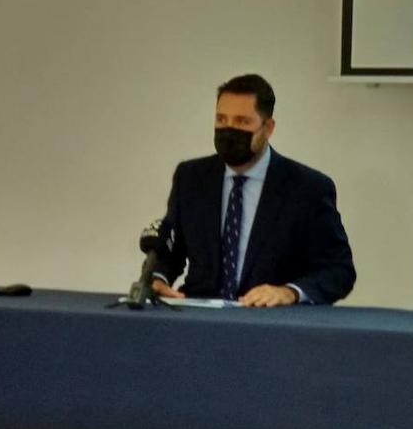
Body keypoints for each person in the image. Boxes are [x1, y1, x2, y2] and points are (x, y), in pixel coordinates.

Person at [151, 74, 355, 306]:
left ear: (268, 128)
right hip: (199, 314)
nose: (229, 130)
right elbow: (170, 248)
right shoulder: (191, 178)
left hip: (269, 318)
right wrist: (158, 278)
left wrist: (290, 292)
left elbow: (338, 270)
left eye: (242, 122)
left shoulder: (308, 189)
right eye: (221, 119)